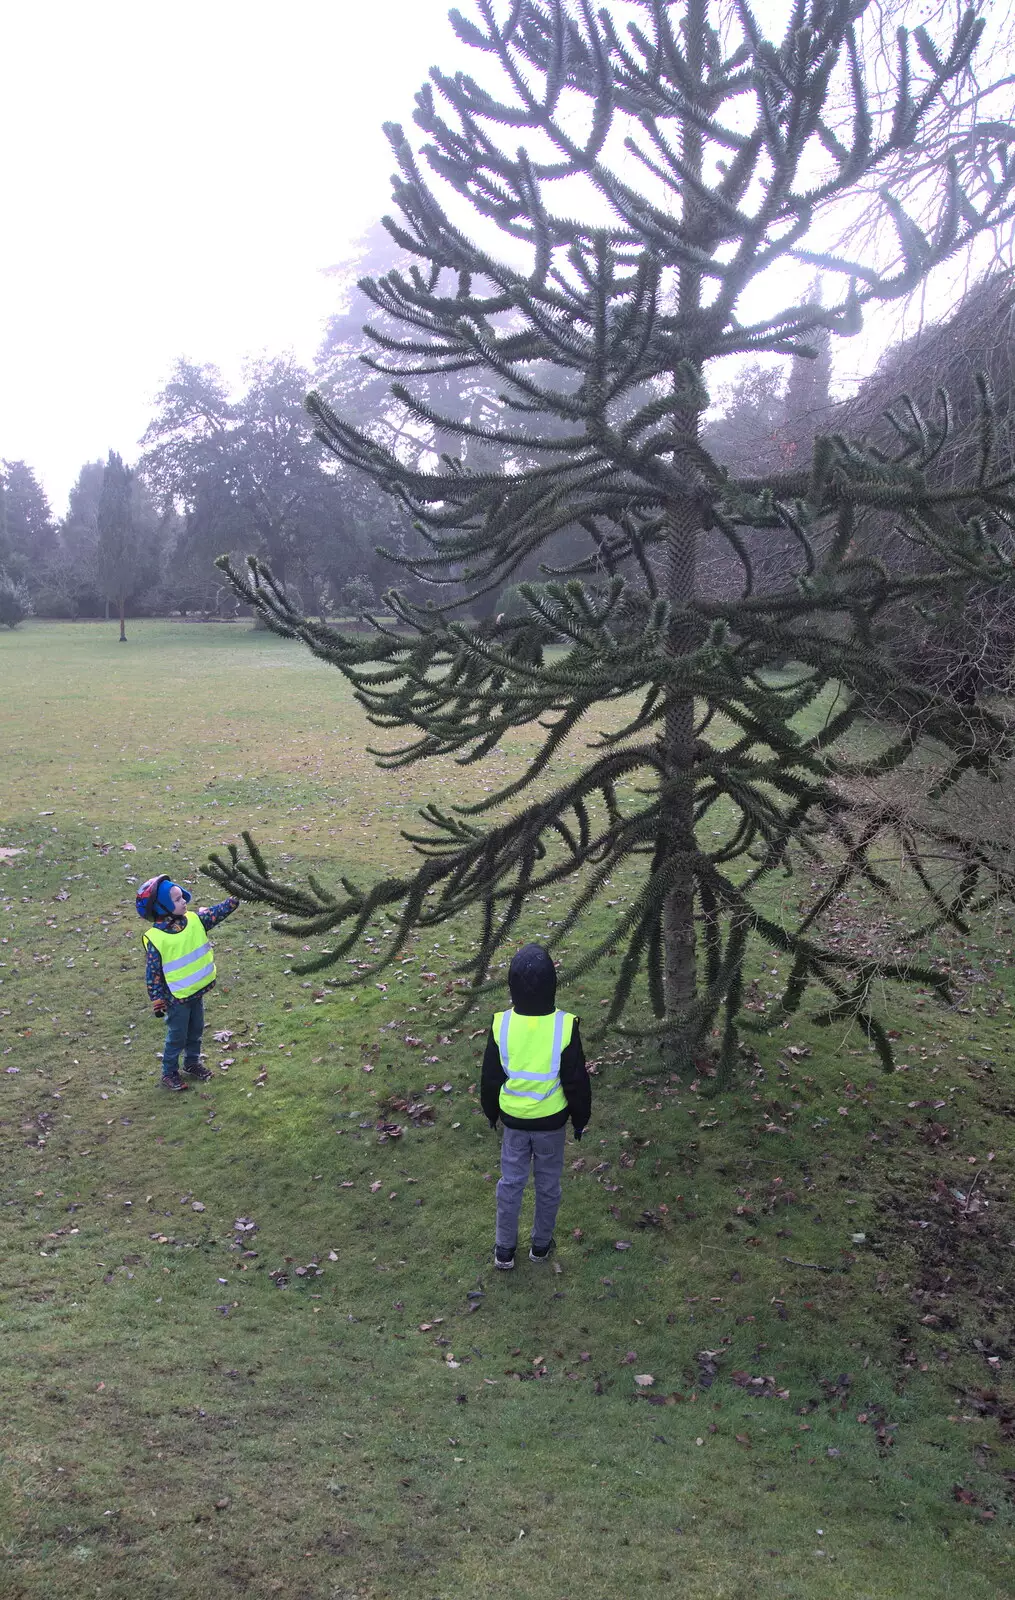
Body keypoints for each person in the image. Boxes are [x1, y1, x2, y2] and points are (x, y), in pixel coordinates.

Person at [480, 943, 591, 1269]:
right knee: (547, 1185)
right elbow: (576, 1081)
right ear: (553, 986)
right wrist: (580, 1119)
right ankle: (540, 1245)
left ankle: (504, 1250)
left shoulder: (502, 1024)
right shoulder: (564, 1026)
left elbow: (490, 1076)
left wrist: (491, 1111)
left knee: (511, 1184)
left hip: (513, 1122)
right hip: (551, 1125)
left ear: (512, 987)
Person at [136, 875, 242, 1092]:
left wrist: (234, 899)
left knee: (195, 1030)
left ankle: (192, 1063)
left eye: (182, 896)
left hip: (196, 992)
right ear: (162, 907)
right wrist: (156, 998)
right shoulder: (157, 938)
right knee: (177, 1036)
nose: (184, 900)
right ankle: (169, 1072)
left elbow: (216, 913)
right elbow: (153, 972)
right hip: (176, 998)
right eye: (176, 899)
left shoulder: (194, 920)